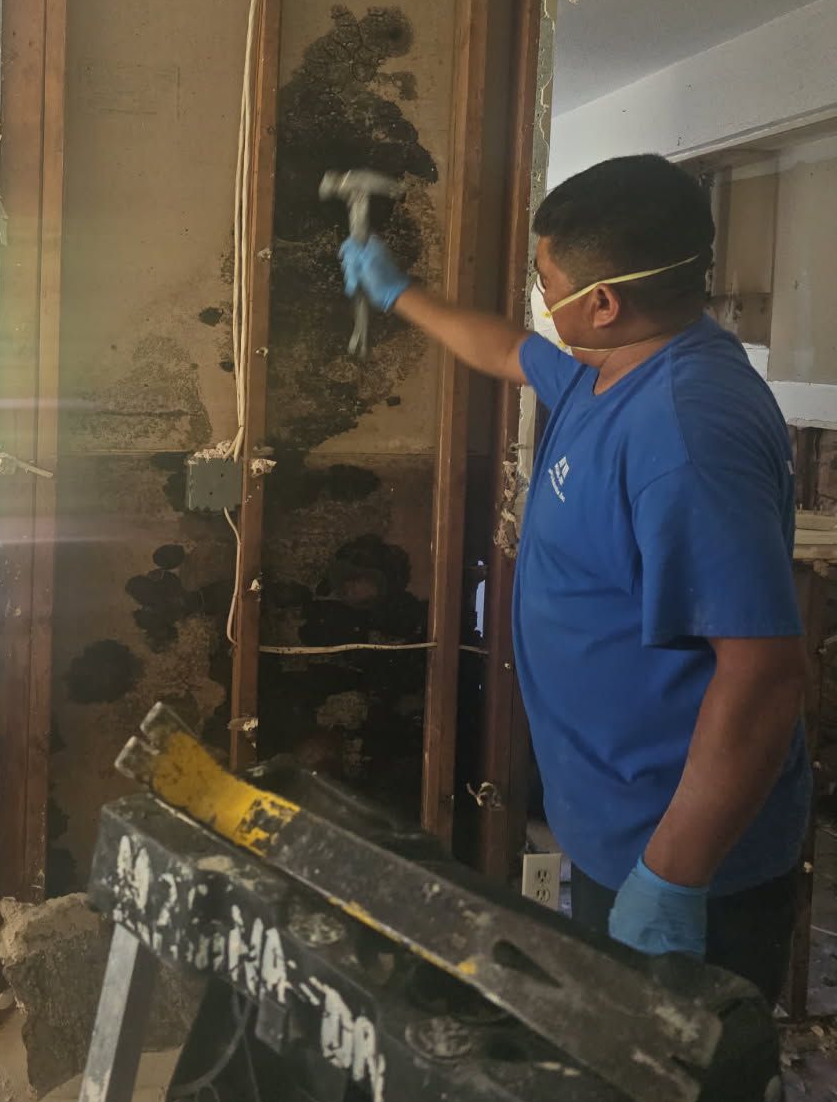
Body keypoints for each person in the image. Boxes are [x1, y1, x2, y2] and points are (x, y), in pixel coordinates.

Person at [339, 153, 809, 1003]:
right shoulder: (612, 368)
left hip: (685, 857)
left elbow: (764, 675)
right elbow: (510, 349)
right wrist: (396, 291)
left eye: (544, 280)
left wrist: (671, 878)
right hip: (615, 825)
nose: (539, 297)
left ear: (603, 302)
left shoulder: (685, 437)